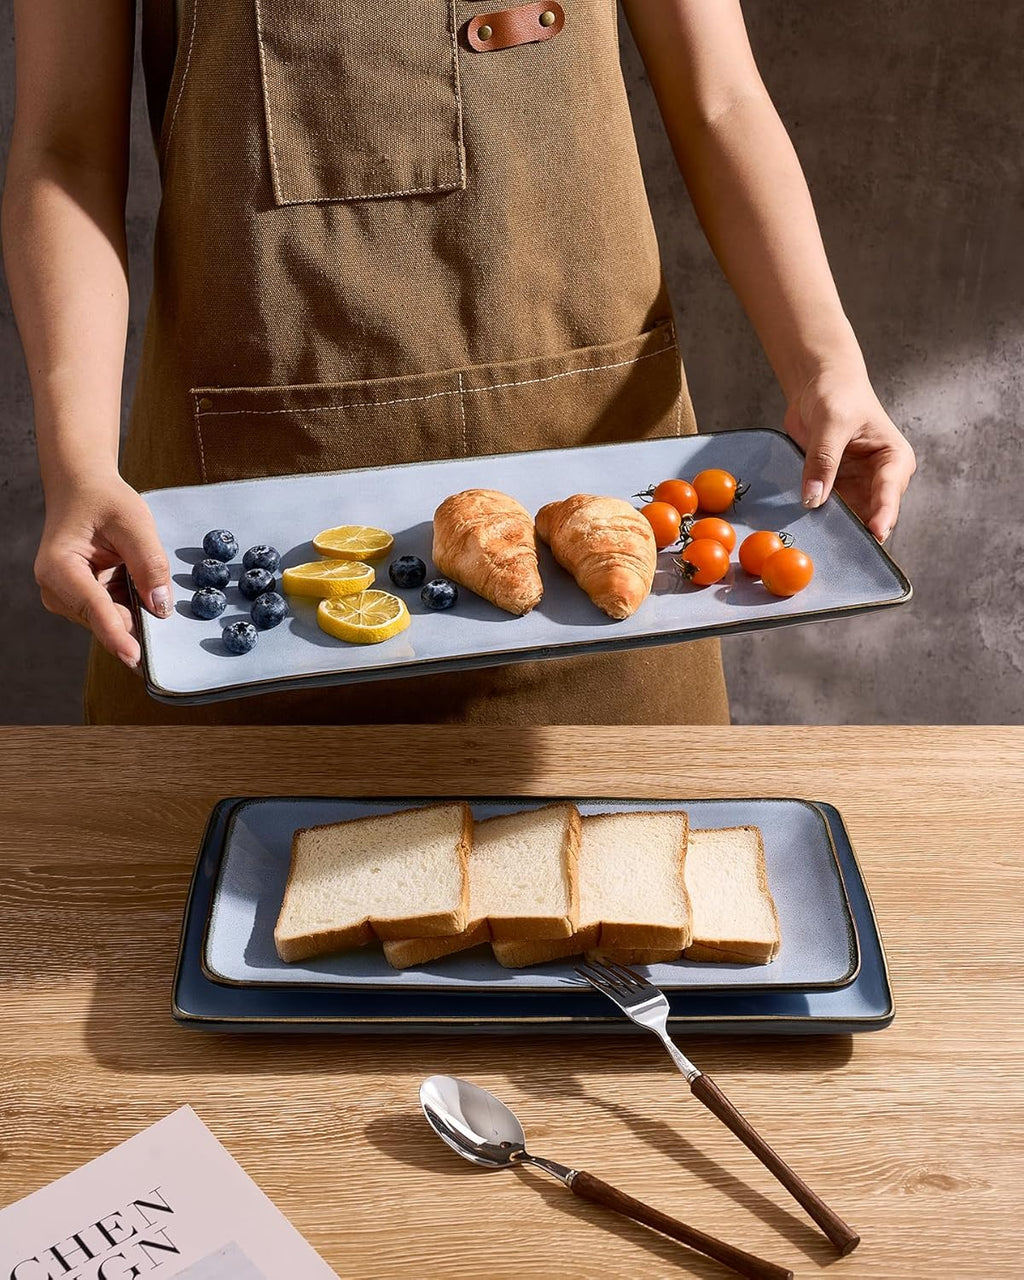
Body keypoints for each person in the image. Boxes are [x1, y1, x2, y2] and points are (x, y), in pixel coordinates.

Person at [3, 0, 915, 725]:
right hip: (251, 545)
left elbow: (721, 96)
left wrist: (826, 361)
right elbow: (65, 150)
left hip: (600, 533)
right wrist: (76, 461)